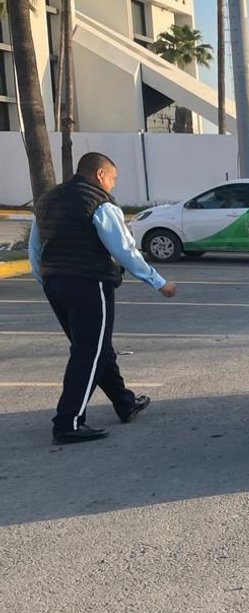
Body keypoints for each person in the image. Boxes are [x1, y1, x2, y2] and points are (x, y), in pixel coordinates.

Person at [27, 152, 178, 444]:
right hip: (88, 283)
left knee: (96, 347)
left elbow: (36, 248)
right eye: (112, 178)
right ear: (99, 175)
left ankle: (124, 402)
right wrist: (158, 282)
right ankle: (68, 421)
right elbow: (123, 250)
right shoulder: (99, 203)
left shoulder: (47, 200)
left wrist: (45, 280)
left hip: (55, 283)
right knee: (89, 353)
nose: (112, 185)